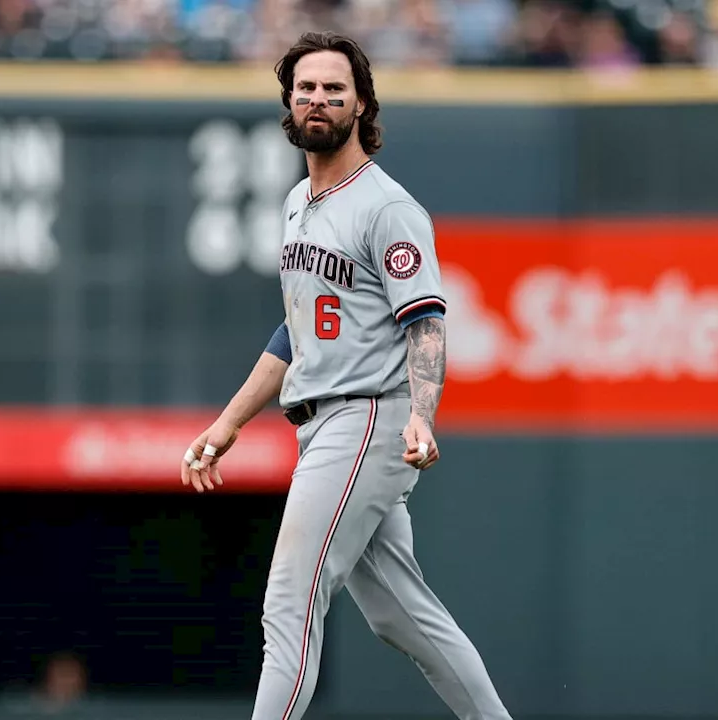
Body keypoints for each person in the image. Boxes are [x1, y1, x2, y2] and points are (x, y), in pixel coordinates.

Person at [179, 30, 513, 720]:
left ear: (361, 103)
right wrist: (229, 421)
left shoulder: (387, 207)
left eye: (335, 88)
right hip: (324, 417)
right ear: (289, 101)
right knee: (402, 615)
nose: (319, 99)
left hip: (366, 417)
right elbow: (294, 333)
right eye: (307, 87)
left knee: (289, 603)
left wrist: (423, 411)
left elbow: (423, 322)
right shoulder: (298, 202)